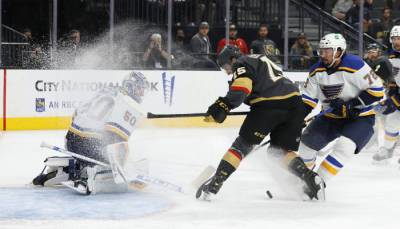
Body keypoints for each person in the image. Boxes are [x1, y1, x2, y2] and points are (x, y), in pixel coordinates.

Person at [196, 45, 325, 201]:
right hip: (295, 105)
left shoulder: (241, 62)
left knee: (241, 146)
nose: (227, 71)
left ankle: (215, 184)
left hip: (269, 106)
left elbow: (242, 87)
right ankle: (310, 177)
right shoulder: (260, 59)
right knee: (278, 151)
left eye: (225, 66)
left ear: (232, 59)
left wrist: (223, 105)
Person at [32, 72, 150, 194]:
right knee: (121, 149)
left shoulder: (107, 90)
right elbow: (114, 136)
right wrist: (123, 167)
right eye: (139, 89)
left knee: (102, 144)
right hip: (89, 147)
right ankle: (90, 173)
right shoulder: (129, 104)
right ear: (130, 87)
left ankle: (71, 170)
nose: (141, 93)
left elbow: (77, 113)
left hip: (70, 141)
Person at [298, 33, 384, 185]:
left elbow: (377, 91)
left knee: (344, 147)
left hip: (360, 118)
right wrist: (297, 118)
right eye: (322, 50)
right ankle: (304, 181)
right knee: (305, 147)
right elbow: (308, 100)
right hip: (331, 117)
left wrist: (351, 104)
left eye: (327, 51)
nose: (323, 54)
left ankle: (318, 183)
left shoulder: (355, 65)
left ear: (339, 51)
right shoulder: (316, 71)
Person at [372, 26, 400, 163]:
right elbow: (393, 80)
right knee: (392, 123)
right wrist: (391, 94)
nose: (396, 42)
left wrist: (393, 101)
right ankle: (388, 149)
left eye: (399, 38)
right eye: (394, 39)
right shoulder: (391, 56)